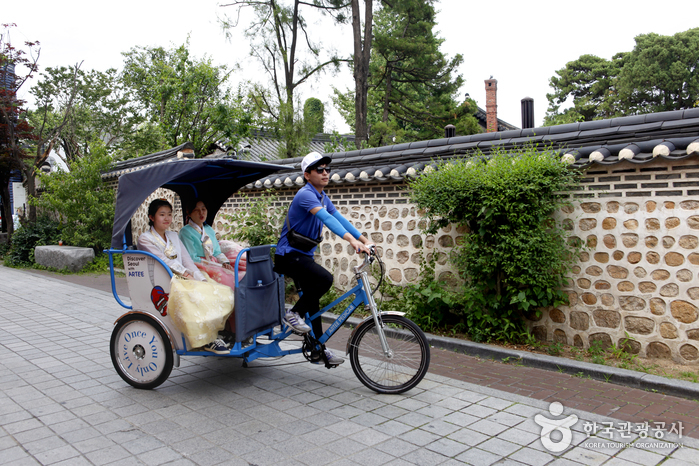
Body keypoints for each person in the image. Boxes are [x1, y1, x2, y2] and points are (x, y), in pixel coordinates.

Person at [274, 152, 373, 365]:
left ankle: (318, 349)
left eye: (327, 168)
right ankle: (292, 314)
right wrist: (351, 241)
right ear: (307, 175)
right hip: (288, 256)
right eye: (319, 169)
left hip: (303, 256)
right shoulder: (305, 194)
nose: (325, 172)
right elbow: (326, 219)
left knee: (314, 302)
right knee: (325, 280)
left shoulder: (322, 196)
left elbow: (340, 219)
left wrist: (364, 240)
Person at [137, 199, 229, 354]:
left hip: (183, 276)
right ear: (152, 217)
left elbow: (187, 260)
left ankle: (215, 334)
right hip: (166, 278)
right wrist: (186, 275)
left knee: (215, 289)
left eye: (169, 214)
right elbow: (163, 260)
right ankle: (205, 339)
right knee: (195, 296)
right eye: (162, 214)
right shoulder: (145, 239)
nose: (166, 218)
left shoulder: (173, 235)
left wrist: (200, 277)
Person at [178, 199, 233, 270]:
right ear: (189, 213)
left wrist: (224, 262)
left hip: (214, 263)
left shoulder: (209, 229)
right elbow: (191, 258)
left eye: (203, 209)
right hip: (198, 266)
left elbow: (216, 252)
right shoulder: (185, 232)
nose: (201, 213)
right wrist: (214, 265)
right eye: (196, 210)